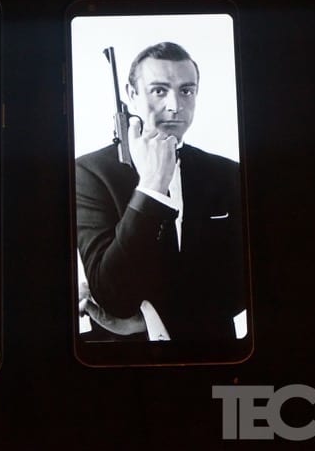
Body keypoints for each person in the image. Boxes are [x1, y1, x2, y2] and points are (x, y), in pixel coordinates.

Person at [76, 42, 245, 343]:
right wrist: (151, 187)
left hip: (217, 352)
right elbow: (112, 294)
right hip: (121, 361)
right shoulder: (88, 173)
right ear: (131, 95)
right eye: (158, 90)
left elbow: (243, 284)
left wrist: (150, 320)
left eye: (186, 91)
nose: (175, 105)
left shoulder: (229, 174)